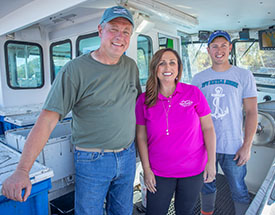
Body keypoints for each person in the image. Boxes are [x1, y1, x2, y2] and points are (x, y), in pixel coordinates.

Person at [1, 5, 141, 215]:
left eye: (126, 32)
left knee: (123, 212)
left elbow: (138, 107)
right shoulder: (75, 69)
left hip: (127, 156)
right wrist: (22, 170)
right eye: (114, 29)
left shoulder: (131, 66)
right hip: (93, 160)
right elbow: (47, 120)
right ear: (100, 30)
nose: (119, 36)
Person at [135, 48, 216, 215]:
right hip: (159, 172)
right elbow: (141, 136)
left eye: (172, 63)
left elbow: (208, 128)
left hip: (193, 170)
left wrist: (211, 162)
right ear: (154, 69)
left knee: (185, 212)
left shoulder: (193, 93)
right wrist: (147, 169)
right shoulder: (144, 100)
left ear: (178, 68)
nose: (167, 67)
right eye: (162, 63)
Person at [191, 30, 258, 215]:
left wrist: (247, 145)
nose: (219, 50)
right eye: (214, 46)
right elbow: (193, 116)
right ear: (208, 49)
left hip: (234, 147)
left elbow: (252, 112)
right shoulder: (198, 79)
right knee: (206, 187)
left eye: (223, 45)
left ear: (230, 48)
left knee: (239, 190)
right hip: (205, 147)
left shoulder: (244, 76)